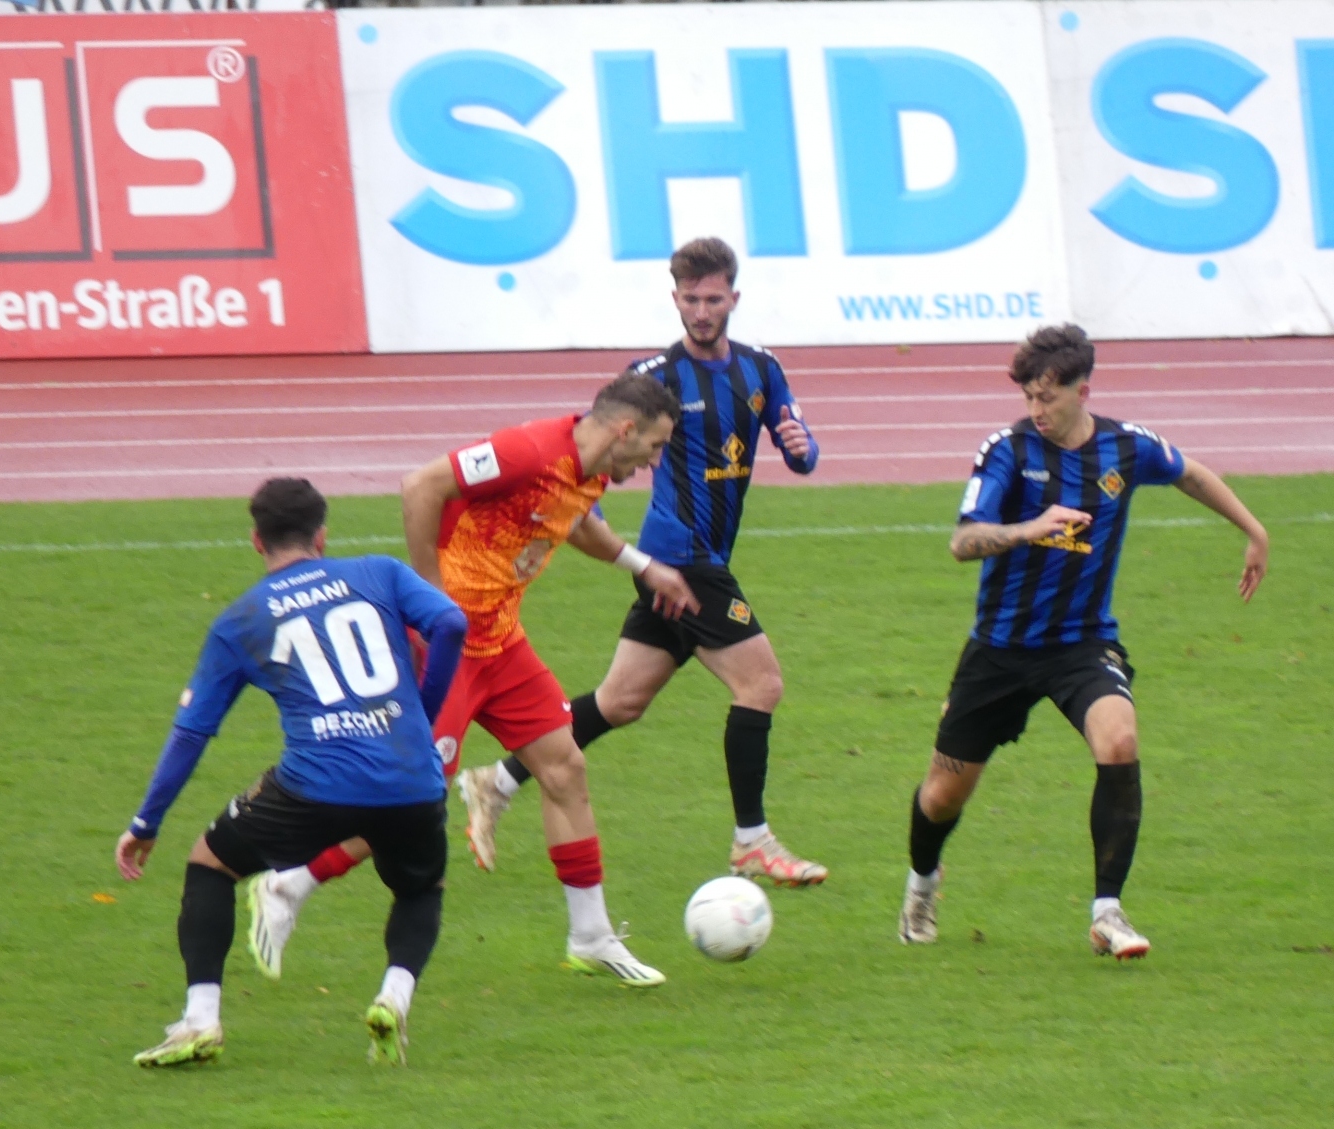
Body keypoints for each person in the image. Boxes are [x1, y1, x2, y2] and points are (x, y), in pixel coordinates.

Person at [244, 375, 695, 989]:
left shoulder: (589, 469)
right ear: (626, 431)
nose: (654, 462)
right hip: (444, 651)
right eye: (655, 446)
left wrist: (642, 566)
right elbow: (420, 485)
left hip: (501, 644)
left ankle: (590, 937)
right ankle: (287, 884)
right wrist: (429, 600)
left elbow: (575, 520)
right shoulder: (526, 451)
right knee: (410, 800)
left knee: (564, 768)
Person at [468, 237, 829, 888]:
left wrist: (803, 448)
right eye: (690, 299)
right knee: (761, 685)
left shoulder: (762, 368)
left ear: (733, 298)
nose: (701, 311)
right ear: (675, 298)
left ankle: (497, 780)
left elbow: (800, 450)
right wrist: (596, 525)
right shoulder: (654, 376)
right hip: (682, 560)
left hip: (690, 560)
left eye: (712, 299)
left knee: (620, 701)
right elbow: (593, 450)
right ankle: (752, 841)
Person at [899, 323, 1269, 956]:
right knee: (941, 795)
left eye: (1047, 397)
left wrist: (1253, 530)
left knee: (1119, 739)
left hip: (1082, 644)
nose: (1036, 409)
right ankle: (923, 885)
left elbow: (1188, 473)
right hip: (1001, 649)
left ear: (1083, 390)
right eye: (1028, 397)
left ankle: (1107, 913)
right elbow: (962, 542)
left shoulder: (1127, 447)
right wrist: (1029, 528)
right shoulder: (1007, 451)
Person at [114, 477, 468, 1067]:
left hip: (314, 789)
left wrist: (146, 822)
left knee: (210, 864)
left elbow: (193, 731)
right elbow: (451, 624)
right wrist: (422, 716)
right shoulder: (379, 572)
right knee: (419, 888)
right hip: (411, 777)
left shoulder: (241, 620)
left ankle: (201, 1019)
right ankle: (393, 998)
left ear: (257, 541)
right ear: (322, 536)